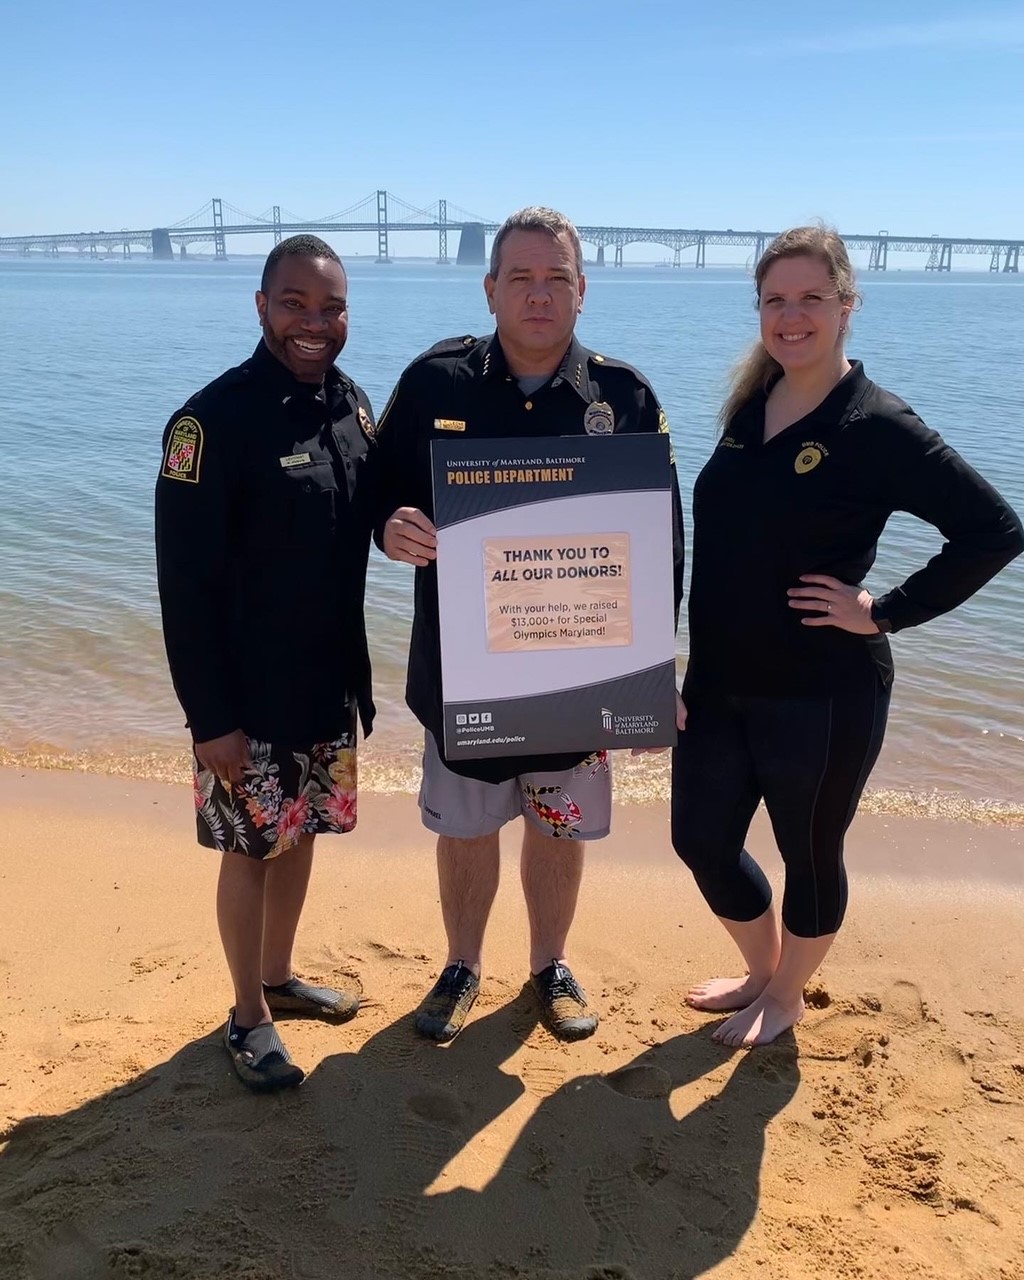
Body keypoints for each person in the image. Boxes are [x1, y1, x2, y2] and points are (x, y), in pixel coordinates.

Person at [672, 225, 1023, 1048]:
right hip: (720, 681)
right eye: (775, 300)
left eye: (811, 299)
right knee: (701, 839)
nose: (791, 317)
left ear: (847, 307)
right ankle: (761, 971)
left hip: (823, 689)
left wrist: (885, 609)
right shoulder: (749, 408)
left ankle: (788, 994)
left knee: (809, 850)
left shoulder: (877, 423)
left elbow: (994, 529)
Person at [372, 207, 685, 1043]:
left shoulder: (623, 397)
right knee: (468, 830)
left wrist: (653, 678)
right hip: (463, 671)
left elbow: (664, 539)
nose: (538, 295)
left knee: (559, 823)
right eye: (520, 277)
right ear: (490, 289)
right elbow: (375, 491)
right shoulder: (435, 382)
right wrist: (389, 527)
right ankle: (462, 965)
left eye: (555, 278)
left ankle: (549, 965)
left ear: (582, 289)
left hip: (577, 679)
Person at [155, 235, 377, 1090]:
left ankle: (278, 980)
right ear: (260, 306)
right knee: (249, 848)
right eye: (295, 304)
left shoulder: (352, 406)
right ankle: (246, 1019)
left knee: (301, 833)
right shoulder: (207, 424)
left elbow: (387, 506)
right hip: (246, 698)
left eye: (331, 308)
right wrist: (210, 718)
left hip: (328, 688)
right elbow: (184, 586)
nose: (314, 324)